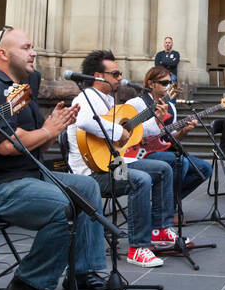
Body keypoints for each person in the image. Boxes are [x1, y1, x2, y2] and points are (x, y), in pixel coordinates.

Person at [0, 27, 109, 290]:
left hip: (23, 176)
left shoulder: (20, 91)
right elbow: (7, 146)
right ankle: (27, 285)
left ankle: (83, 274)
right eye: (26, 47)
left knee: (87, 187)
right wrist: (48, 128)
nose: (33, 52)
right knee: (63, 206)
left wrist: (54, 129)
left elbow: (33, 147)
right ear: (3, 53)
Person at [66, 49, 180, 267]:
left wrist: (156, 119)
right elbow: (84, 122)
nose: (120, 78)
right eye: (115, 73)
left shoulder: (108, 100)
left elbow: (135, 132)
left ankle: (160, 229)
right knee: (141, 180)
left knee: (163, 168)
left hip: (113, 163)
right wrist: (119, 133)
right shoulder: (87, 97)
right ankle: (137, 248)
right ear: (99, 77)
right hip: (91, 172)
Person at [139, 65, 213, 214]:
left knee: (205, 168)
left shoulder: (171, 107)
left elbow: (171, 137)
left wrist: (184, 130)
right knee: (180, 162)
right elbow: (128, 130)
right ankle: (167, 209)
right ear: (151, 84)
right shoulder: (138, 103)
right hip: (141, 151)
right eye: (164, 83)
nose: (168, 86)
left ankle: (166, 201)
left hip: (161, 148)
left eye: (170, 83)